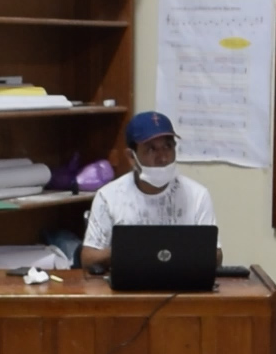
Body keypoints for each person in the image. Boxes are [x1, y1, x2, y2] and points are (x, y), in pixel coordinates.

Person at [79, 112, 219, 271]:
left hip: (183, 288)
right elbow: (88, 258)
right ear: (131, 157)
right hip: (127, 289)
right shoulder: (108, 196)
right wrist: (129, 251)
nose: (163, 158)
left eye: (168, 147)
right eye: (151, 149)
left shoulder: (197, 195)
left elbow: (216, 256)